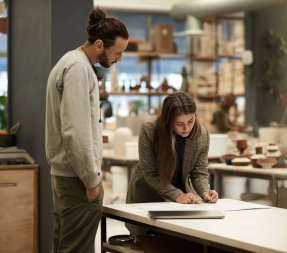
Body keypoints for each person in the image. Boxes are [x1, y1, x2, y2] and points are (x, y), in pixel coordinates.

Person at [45, 8, 129, 253]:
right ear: (100, 44)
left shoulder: (71, 62)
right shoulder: (79, 69)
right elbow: (76, 131)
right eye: (118, 53)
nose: (120, 59)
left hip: (68, 177)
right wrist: (91, 180)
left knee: (65, 245)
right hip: (78, 179)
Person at [126, 91, 219, 236]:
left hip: (182, 198)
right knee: (149, 242)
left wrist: (205, 192)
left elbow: (199, 172)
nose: (186, 128)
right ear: (168, 120)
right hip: (149, 195)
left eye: (191, 121)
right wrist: (176, 195)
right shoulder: (150, 131)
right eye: (179, 123)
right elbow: (151, 173)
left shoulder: (202, 135)